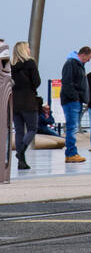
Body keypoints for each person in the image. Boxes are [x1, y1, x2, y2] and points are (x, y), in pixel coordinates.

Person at [11, 41, 41, 171]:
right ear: (24, 50)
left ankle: (21, 162)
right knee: (32, 129)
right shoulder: (30, 63)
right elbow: (36, 81)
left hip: (15, 102)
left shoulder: (11, 65)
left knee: (18, 130)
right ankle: (21, 151)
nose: (29, 49)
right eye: (28, 47)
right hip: (28, 101)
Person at [60, 46, 91, 163]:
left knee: (73, 128)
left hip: (76, 101)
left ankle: (71, 153)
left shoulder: (79, 65)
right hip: (71, 101)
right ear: (83, 55)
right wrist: (75, 97)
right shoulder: (71, 64)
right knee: (72, 128)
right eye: (88, 59)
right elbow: (67, 82)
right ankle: (71, 153)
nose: (88, 61)